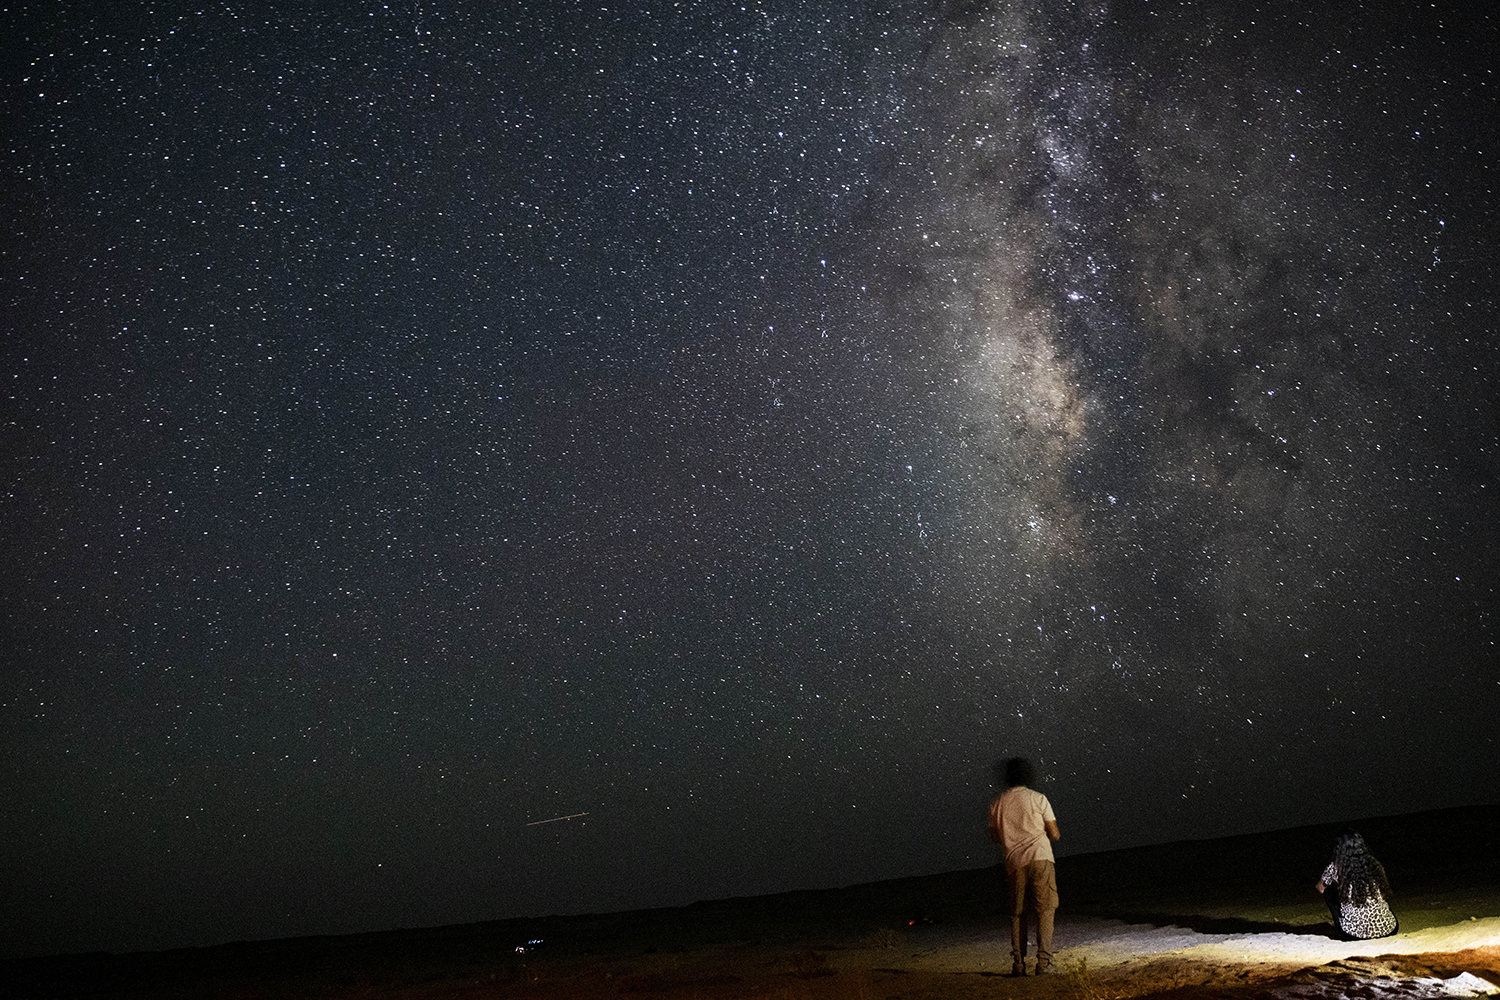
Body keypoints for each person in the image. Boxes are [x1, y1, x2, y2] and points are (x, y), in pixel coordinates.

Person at [988, 757, 1061, 976]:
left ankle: (1018, 964)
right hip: (1040, 856)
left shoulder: (997, 803)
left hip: (1014, 862)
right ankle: (1044, 963)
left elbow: (994, 836)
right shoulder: (1038, 798)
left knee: (1017, 914)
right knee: (1045, 910)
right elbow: (1055, 833)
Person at [1315, 830, 1398, 940]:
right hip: (1389, 929)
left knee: (1328, 891)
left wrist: (1339, 888)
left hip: (1353, 934)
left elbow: (1320, 888)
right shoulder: (1374, 864)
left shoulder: (1335, 867)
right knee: (1378, 891)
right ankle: (1381, 917)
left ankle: (1346, 922)